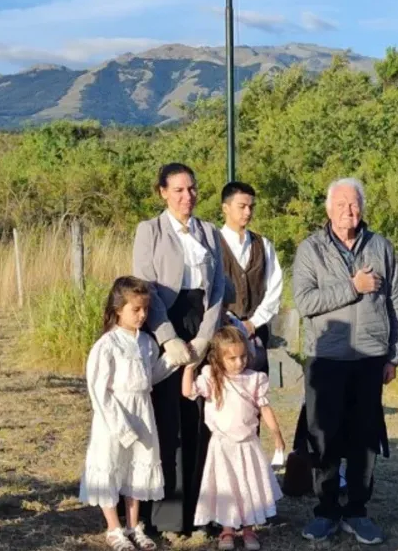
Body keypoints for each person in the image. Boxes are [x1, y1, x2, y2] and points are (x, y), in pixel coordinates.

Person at [292, 177, 398, 545]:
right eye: (340, 204)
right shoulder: (311, 249)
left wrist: (394, 354)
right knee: (323, 438)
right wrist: (353, 287)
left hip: (370, 359)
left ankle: (357, 510)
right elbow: (306, 302)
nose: (348, 211)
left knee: (364, 438)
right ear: (328, 209)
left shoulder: (381, 247)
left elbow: (397, 303)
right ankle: (325, 511)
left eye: (354, 204)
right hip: (327, 358)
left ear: (363, 208)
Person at [132, 163, 226, 534]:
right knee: (166, 423)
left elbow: (218, 288)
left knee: (201, 421)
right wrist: (168, 338)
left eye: (192, 189)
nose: (187, 197)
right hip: (162, 328)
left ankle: (200, 513)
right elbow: (145, 288)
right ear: (162, 193)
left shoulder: (209, 231)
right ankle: (165, 514)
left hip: (201, 328)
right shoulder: (149, 231)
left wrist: (204, 337)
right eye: (179, 191)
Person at [79, 277, 186, 551]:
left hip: (142, 410)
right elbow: (99, 390)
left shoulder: (147, 343)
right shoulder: (107, 345)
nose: (142, 316)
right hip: (115, 415)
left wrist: (174, 359)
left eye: (145, 310)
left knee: (138, 467)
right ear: (118, 309)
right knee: (112, 465)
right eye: (135, 310)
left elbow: (152, 375)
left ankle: (133, 525)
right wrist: (120, 426)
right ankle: (113, 527)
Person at [182, 326, 285, 551]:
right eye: (232, 358)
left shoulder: (254, 379)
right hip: (223, 446)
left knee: (247, 485)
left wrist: (276, 433)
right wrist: (190, 367)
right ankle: (226, 529)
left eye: (243, 357)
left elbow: (264, 408)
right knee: (226, 485)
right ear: (219, 358)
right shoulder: (211, 377)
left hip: (248, 445)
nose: (239, 363)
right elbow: (188, 392)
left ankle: (248, 529)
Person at [217, 181, 284, 374]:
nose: (248, 212)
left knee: (257, 391)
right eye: (242, 206)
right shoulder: (212, 244)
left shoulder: (263, 244)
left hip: (257, 331)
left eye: (251, 207)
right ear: (225, 208)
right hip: (222, 332)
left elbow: (274, 287)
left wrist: (254, 322)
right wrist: (231, 322)